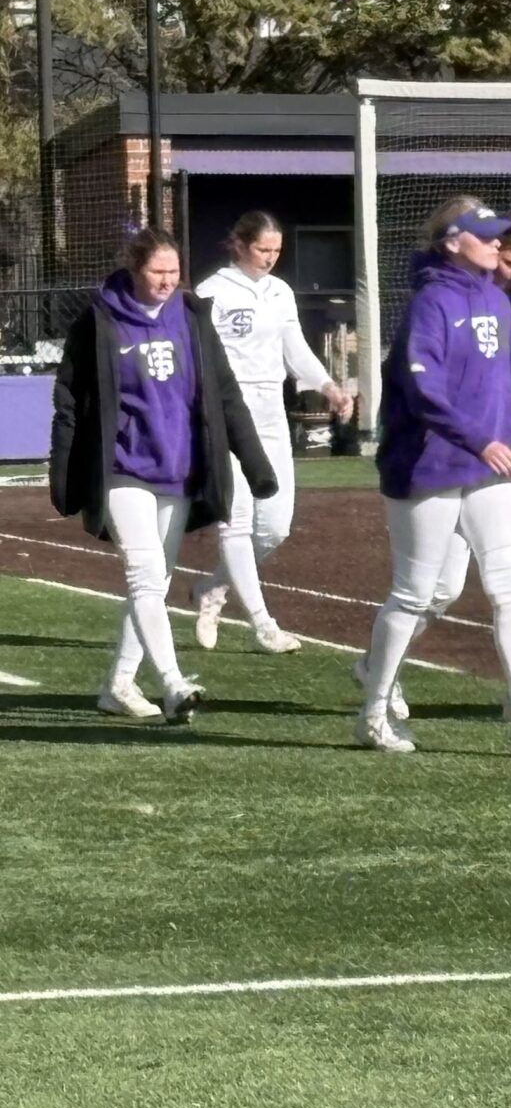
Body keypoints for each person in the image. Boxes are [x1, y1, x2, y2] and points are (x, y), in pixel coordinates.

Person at [357, 197, 511, 756]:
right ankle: (374, 711)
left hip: (495, 467)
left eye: (500, 236)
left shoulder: (498, 302)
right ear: (453, 242)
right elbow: (421, 389)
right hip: (428, 465)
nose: (498, 243)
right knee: (415, 594)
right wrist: (479, 438)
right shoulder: (431, 301)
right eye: (487, 236)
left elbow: (501, 387)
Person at [50, 228, 277, 723]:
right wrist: (64, 472)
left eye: (174, 272)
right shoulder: (99, 321)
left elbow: (224, 391)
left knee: (153, 582)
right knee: (145, 573)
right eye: (157, 271)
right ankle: (174, 684)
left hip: (178, 469)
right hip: (122, 469)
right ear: (134, 269)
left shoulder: (193, 318)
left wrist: (255, 463)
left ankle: (118, 685)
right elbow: (70, 398)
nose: (167, 281)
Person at [187, 210, 353, 653]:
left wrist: (328, 386)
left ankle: (214, 589)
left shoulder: (280, 292)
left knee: (275, 526)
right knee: (236, 521)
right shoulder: (212, 293)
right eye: (263, 249)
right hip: (228, 412)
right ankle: (263, 625)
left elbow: (294, 347)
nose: (270, 258)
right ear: (239, 245)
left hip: (270, 411)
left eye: (276, 250)